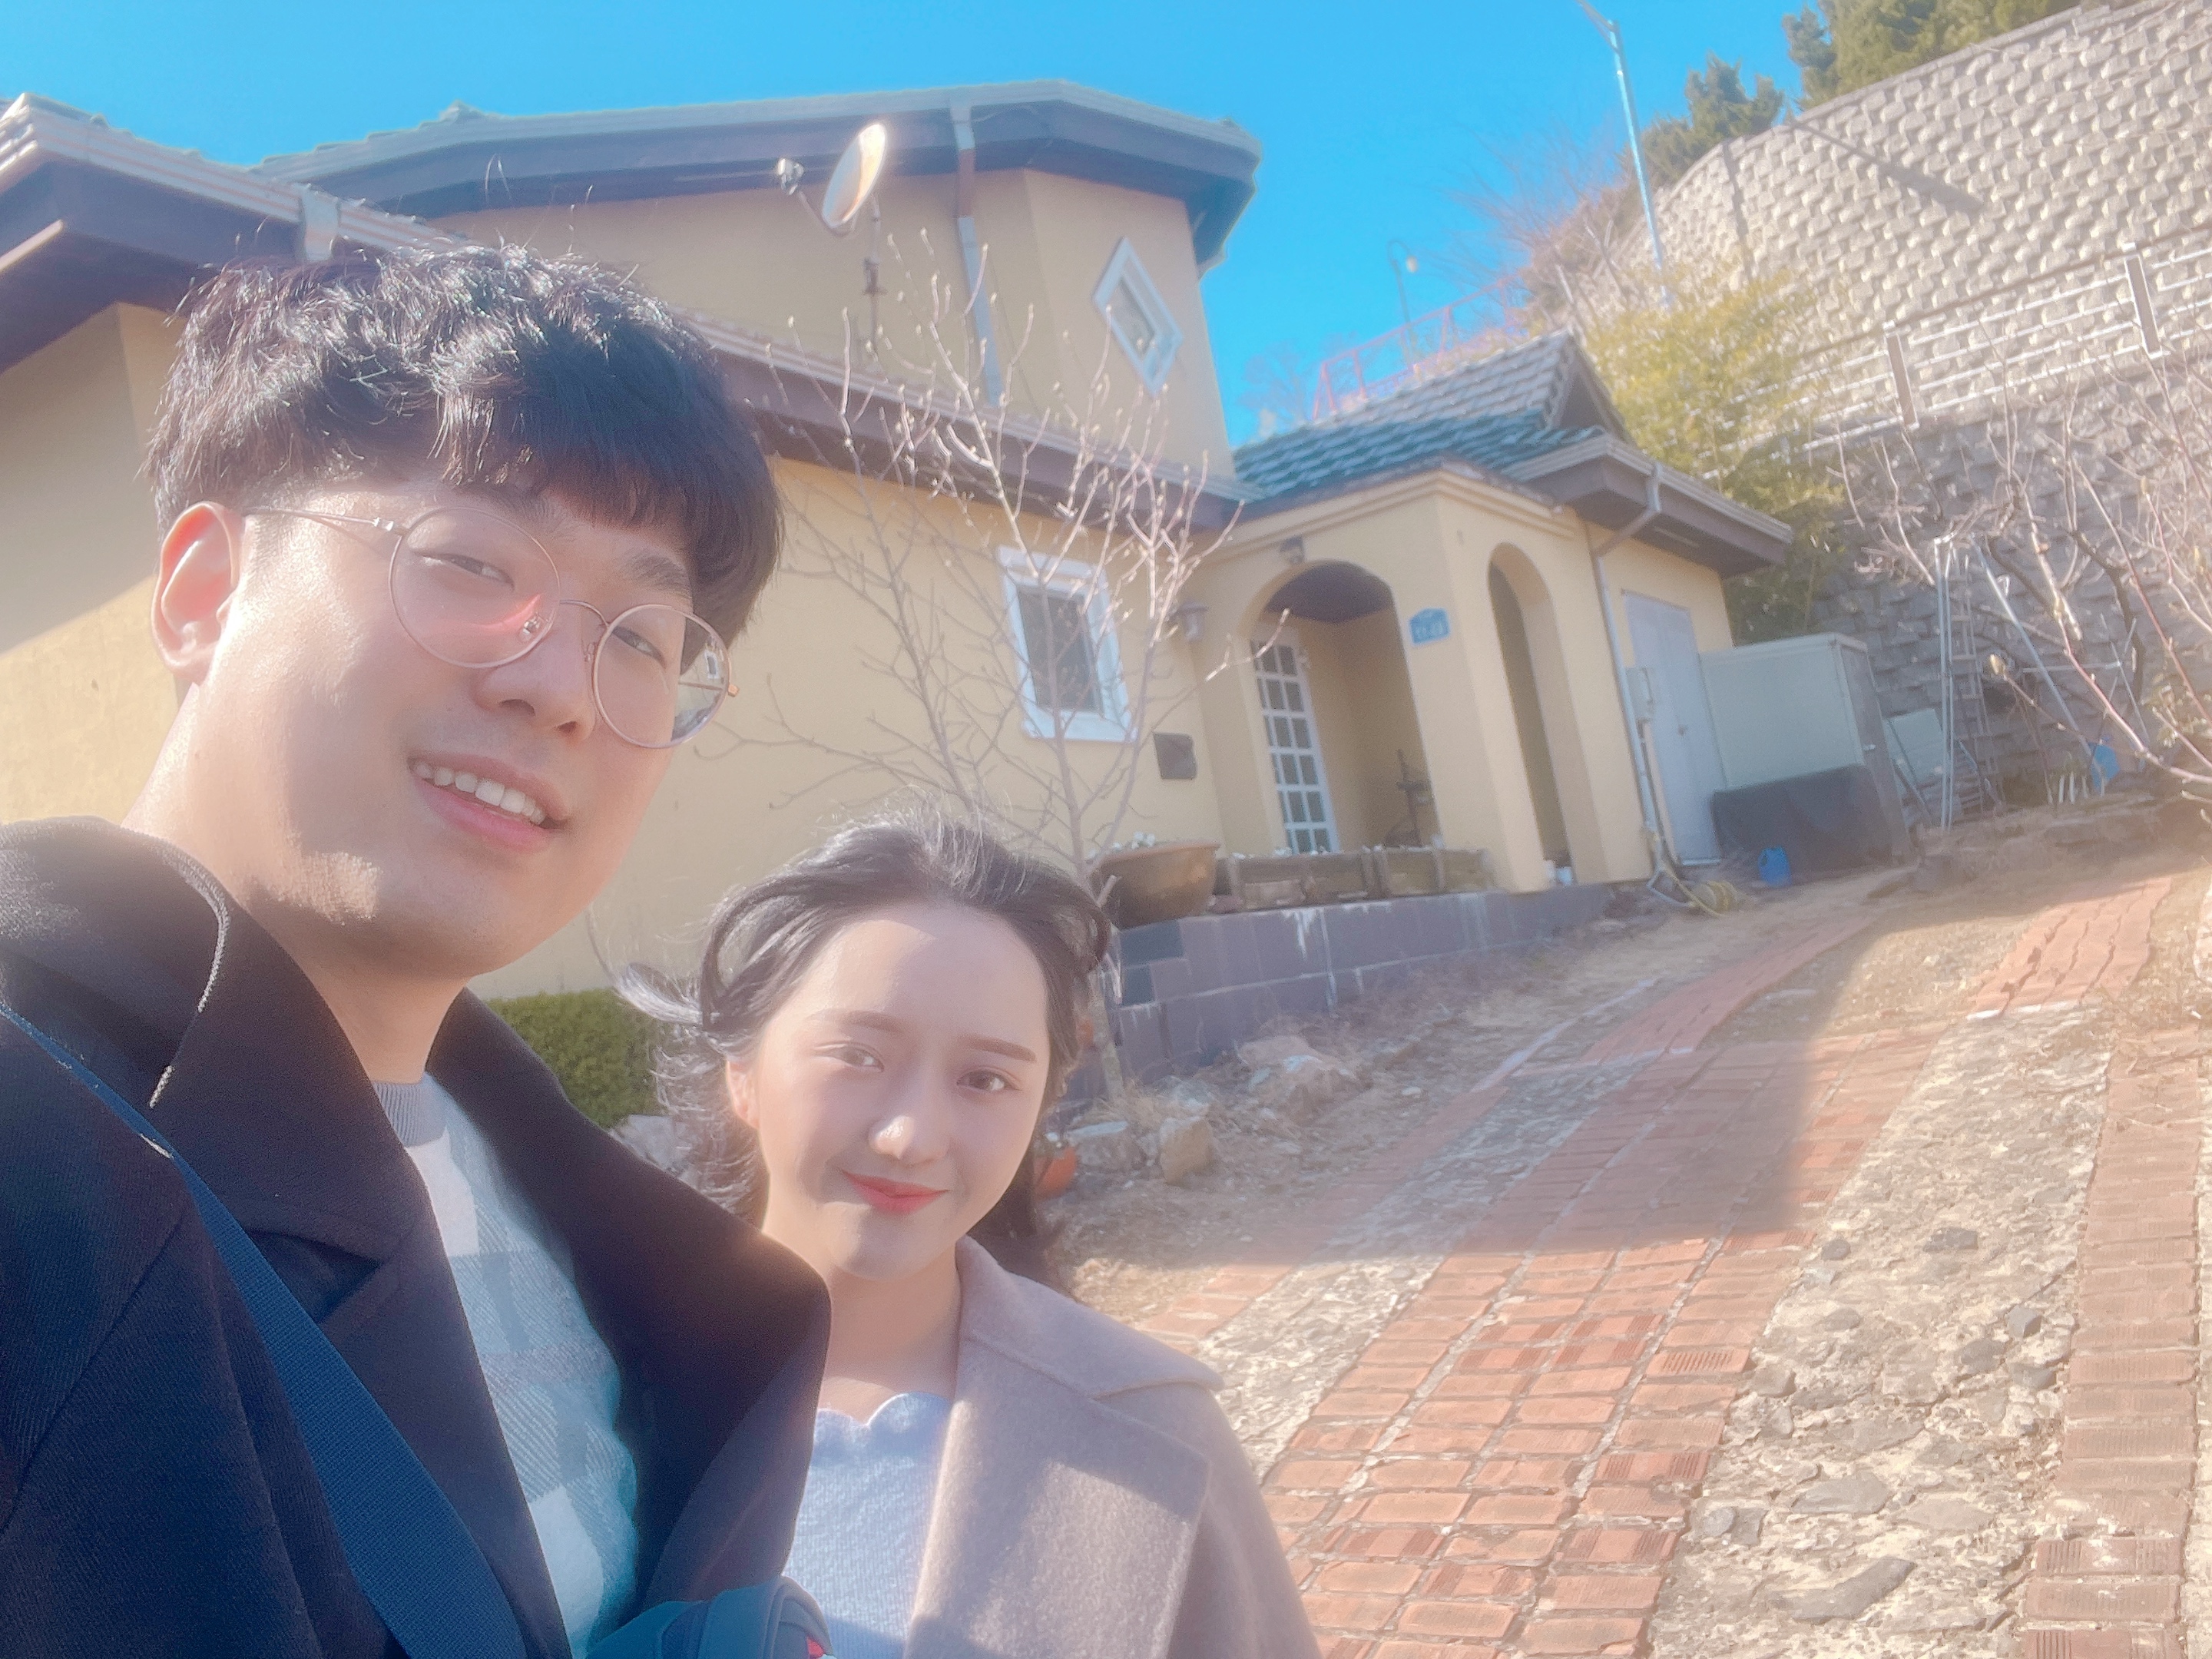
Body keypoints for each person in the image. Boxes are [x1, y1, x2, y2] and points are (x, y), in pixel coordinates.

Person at [0, 247, 826, 1658]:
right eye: (471, 563)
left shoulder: (598, 1234)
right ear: (203, 592)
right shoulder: (37, 1156)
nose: (559, 688)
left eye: (642, 636)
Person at [633, 813, 1320, 1659]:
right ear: (742, 1074)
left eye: (985, 1079)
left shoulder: (1159, 1432)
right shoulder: (573, 1401)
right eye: (858, 1055)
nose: (912, 1136)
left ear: (1040, 1106)